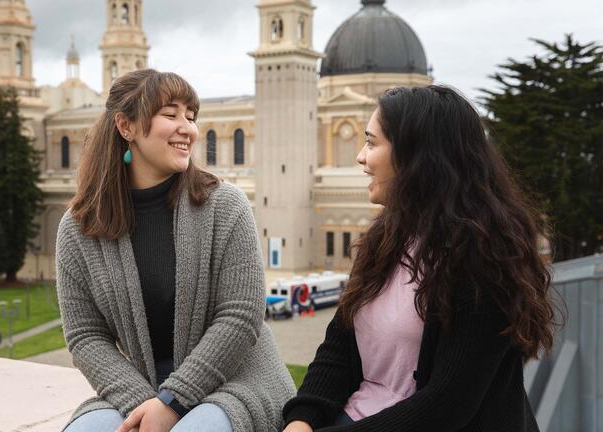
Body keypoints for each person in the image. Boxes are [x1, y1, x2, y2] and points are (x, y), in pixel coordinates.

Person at [281, 86, 559, 432]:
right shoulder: (385, 238)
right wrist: (302, 419)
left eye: (371, 142)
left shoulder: (483, 258)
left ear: (416, 157)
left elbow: (446, 405)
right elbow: (339, 346)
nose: (359, 157)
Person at [56, 69, 295, 432]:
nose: (188, 128)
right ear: (126, 126)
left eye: (191, 116)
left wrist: (173, 402)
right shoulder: (78, 227)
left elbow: (241, 316)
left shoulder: (225, 206)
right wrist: (145, 405)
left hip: (236, 381)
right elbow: (86, 336)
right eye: (171, 114)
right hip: (142, 387)